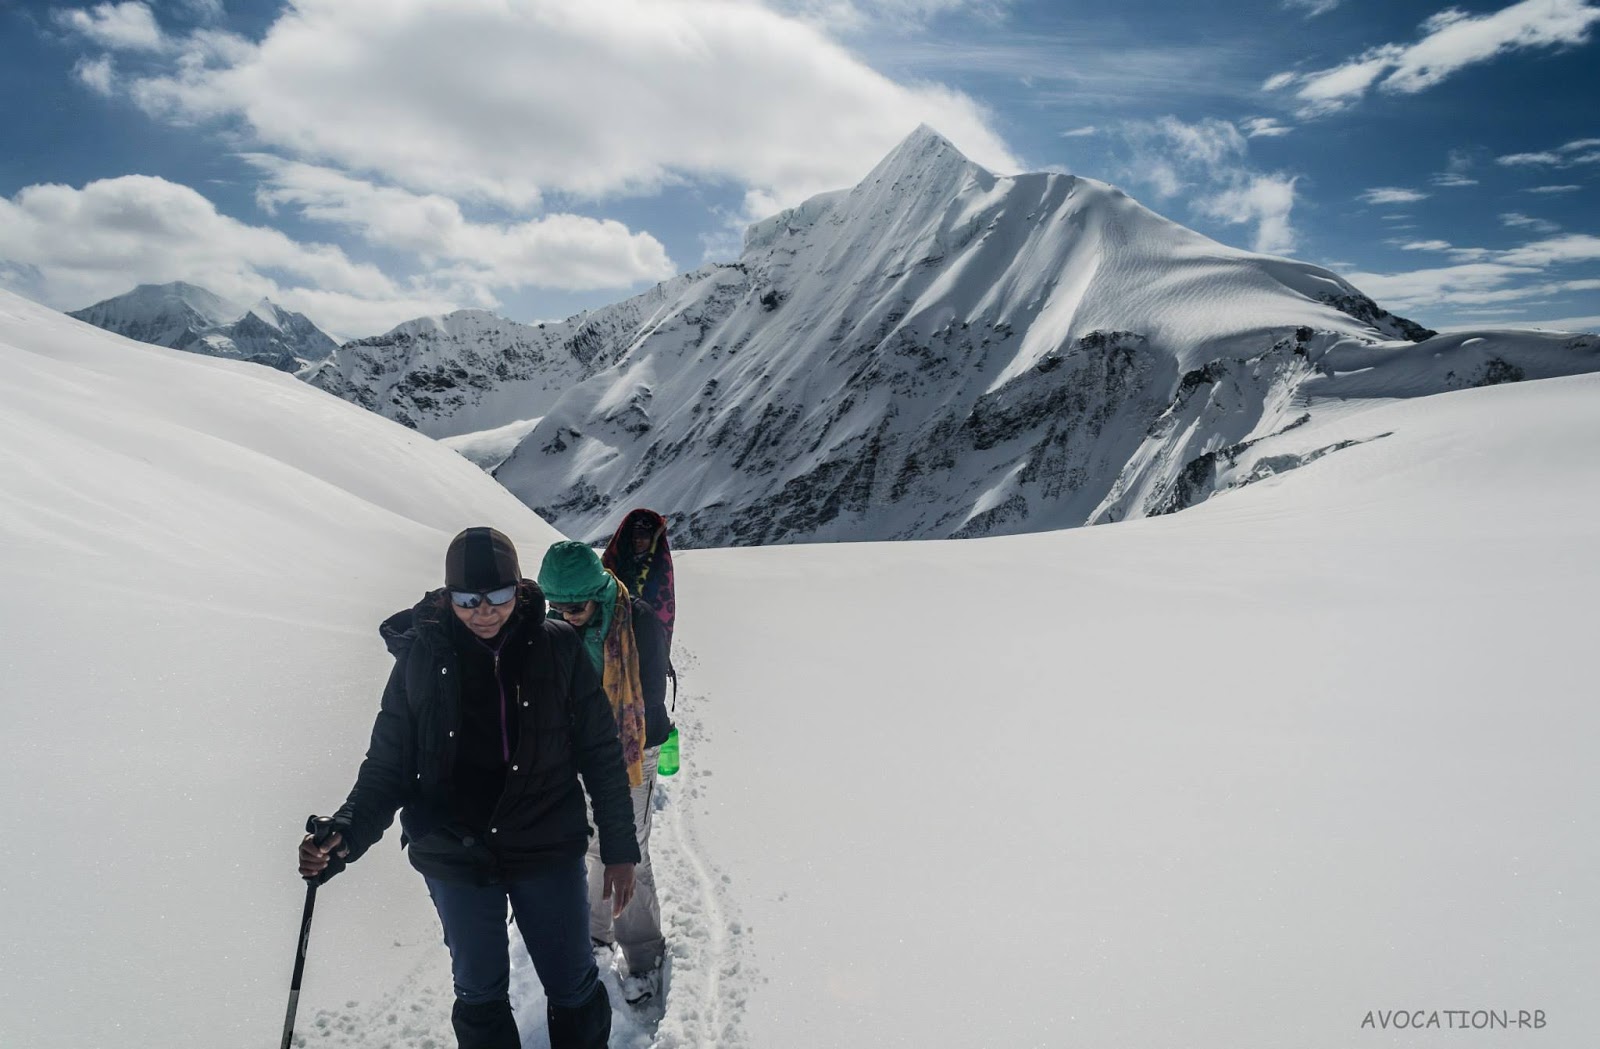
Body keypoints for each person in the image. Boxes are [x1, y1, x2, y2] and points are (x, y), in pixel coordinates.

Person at [298, 526, 639, 1049]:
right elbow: (389, 764)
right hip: (453, 848)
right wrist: (347, 830)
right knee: (479, 992)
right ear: (448, 595)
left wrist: (618, 847)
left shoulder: (558, 647)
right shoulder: (420, 659)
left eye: (499, 596)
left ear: (519, 589)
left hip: (545, 838)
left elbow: (600, 751)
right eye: (468, 600)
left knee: (572, 985)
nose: (485, 612)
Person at [537, 540, 672, 1005]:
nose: (565, 613)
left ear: (597, 591)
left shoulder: (638, 622)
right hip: (578, 751)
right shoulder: (554, 624)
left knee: (628, 849)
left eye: (574, 605)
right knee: (590, 841)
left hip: (634, 747)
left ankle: (642, 952)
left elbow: (647, 700)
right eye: (556, 605)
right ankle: (594, 933)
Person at [600, 509, 676, 651]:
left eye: (644, 536)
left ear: (652, 537)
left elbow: (661, 602)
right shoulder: (619, 561)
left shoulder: (658, 566)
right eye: (635, 535)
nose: (638, 540)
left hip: (644, 630)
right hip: (614, 627)